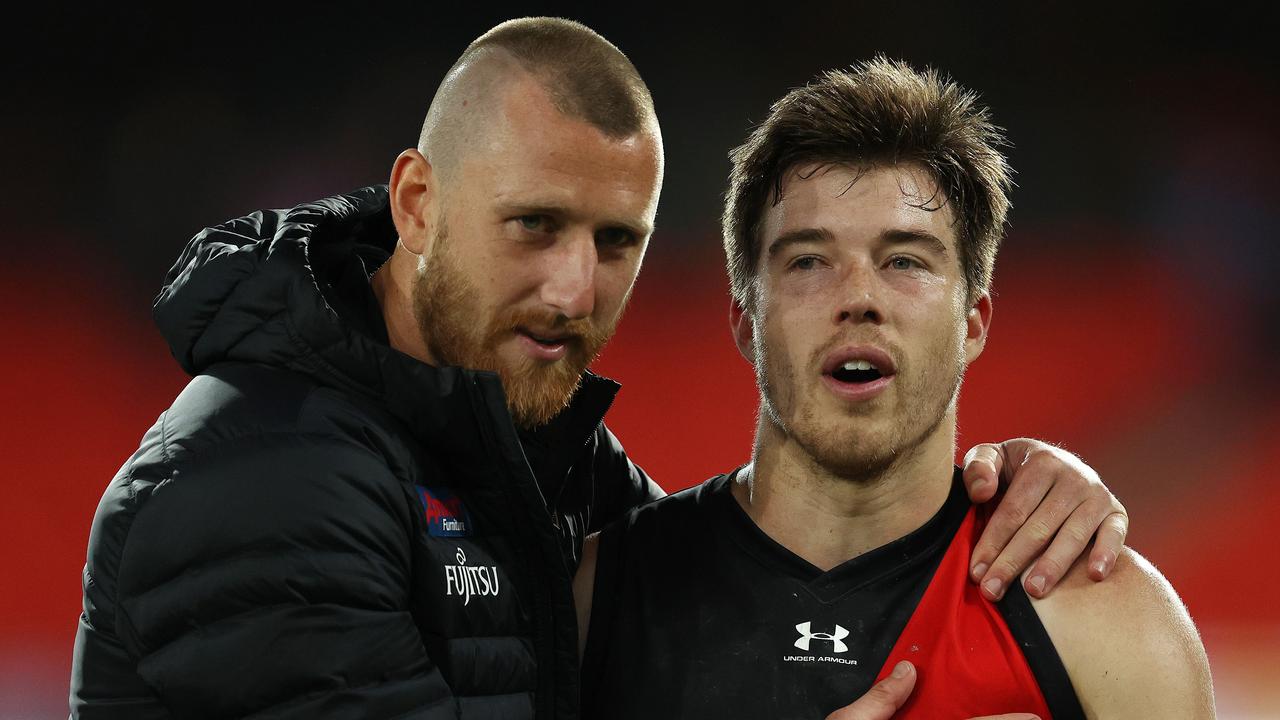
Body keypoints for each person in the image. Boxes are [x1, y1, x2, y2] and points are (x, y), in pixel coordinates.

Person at [70, 19, 1129, 720]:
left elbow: (729, 588)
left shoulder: (522, 442)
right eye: (533, 225)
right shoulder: (259, 479)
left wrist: (1017, 481)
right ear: (417, 205)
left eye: (616, 241)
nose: (575, 289)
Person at [576, 57, 1213, 719]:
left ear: (973, 323)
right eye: (809, 260)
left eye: (905, 259)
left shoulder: (1113, 625)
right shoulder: (593, 603)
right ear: (746, 321)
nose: (858, 297)